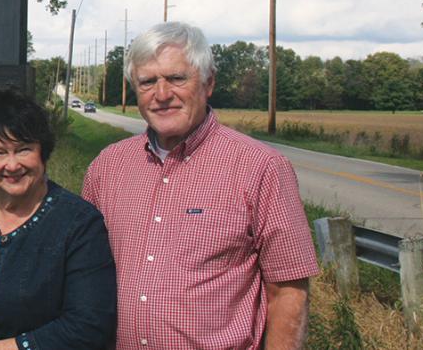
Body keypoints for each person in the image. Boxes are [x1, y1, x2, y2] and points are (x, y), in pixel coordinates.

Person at [82, 22, 319, 349]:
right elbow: (82, 274)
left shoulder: (261, 167)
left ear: (208, 84)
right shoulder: (107, 167)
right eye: (148, 82)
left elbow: (288, 291)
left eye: (177, 78)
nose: (162, 95)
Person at [0, 86, 116, 350]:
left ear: (43, 152)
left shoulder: (79, 223)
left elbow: (89, 325)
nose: (12, 165)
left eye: (23, 149)